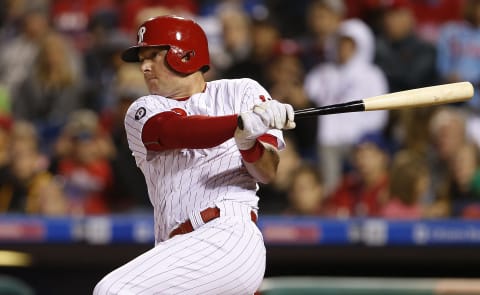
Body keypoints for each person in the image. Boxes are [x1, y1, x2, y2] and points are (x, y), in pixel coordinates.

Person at [93, 15, 295, 294]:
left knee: (114, 290)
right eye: (142, 59)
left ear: (185, 55)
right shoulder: (143, 109)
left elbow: (267, 172)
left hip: (228, 236)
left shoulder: (241, 91)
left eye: (153, 55)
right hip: (178, 249)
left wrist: (249, 142)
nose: (145, 67)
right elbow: (175, 131)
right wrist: (238, 124)